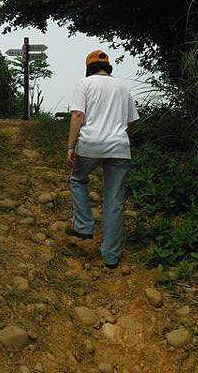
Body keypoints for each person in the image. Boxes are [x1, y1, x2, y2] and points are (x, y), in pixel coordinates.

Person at [65, 49, 139, 269]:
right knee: (114, 202)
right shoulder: (123, 88)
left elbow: (78, 115)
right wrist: (118, 140)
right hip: (119, 148)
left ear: (89, 68)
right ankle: (111, 257)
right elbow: (130, 124)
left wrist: (70, 146)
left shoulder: (85, 84)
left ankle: (84, 226)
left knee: (78, 179)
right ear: (108, 68)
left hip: (90, 146)